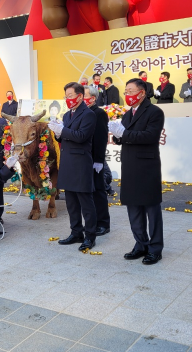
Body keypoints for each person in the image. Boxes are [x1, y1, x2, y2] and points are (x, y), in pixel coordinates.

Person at [109, 78, 165, 265]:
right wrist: (117, 135)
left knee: (151, 208)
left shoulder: (155, 112)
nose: (127, 95)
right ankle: (141, 244)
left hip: (147, 167)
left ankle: (155, 248)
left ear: (142, 92)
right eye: (126, 91)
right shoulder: (128, 113)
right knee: (133, 207)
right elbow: (124, 136)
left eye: (131, 91)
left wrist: (123, 134)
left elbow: (149, 136)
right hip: (130, 165)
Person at [49, 82, 98, 251]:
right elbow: (64, 138)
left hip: (81, 163)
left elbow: (82, 136)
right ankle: (76, 232)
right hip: (68, 162)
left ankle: (90, 236)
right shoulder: (68, 115)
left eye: (70, 96)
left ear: (80, 96)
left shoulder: (88, 114)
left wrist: (62, 131)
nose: (68, 99)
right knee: (71, 202)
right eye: (66, 97)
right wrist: (57, 133)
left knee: (86, 202)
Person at [84, 86, 110, 235]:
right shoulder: (84, 113)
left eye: (85, 95)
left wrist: (99, 160)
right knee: (87, 192)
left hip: (95, 159)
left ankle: (103, 223)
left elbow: (101, 138)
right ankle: (92, 222)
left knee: (99, 190)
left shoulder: (98, 113)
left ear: (93, 98)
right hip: (83, 159)